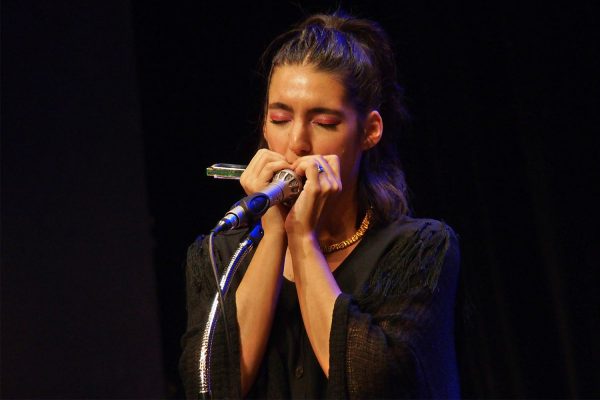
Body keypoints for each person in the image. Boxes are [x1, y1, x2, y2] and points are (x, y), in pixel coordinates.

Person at [179, 11, 461, 399]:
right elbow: (211, 390)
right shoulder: (220, 256)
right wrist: (275, 229)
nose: (296, 143)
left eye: (324, 123)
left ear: (369, 131)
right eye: (279, 118)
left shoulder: (419, 249)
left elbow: (373, 387)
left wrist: (302, 237)